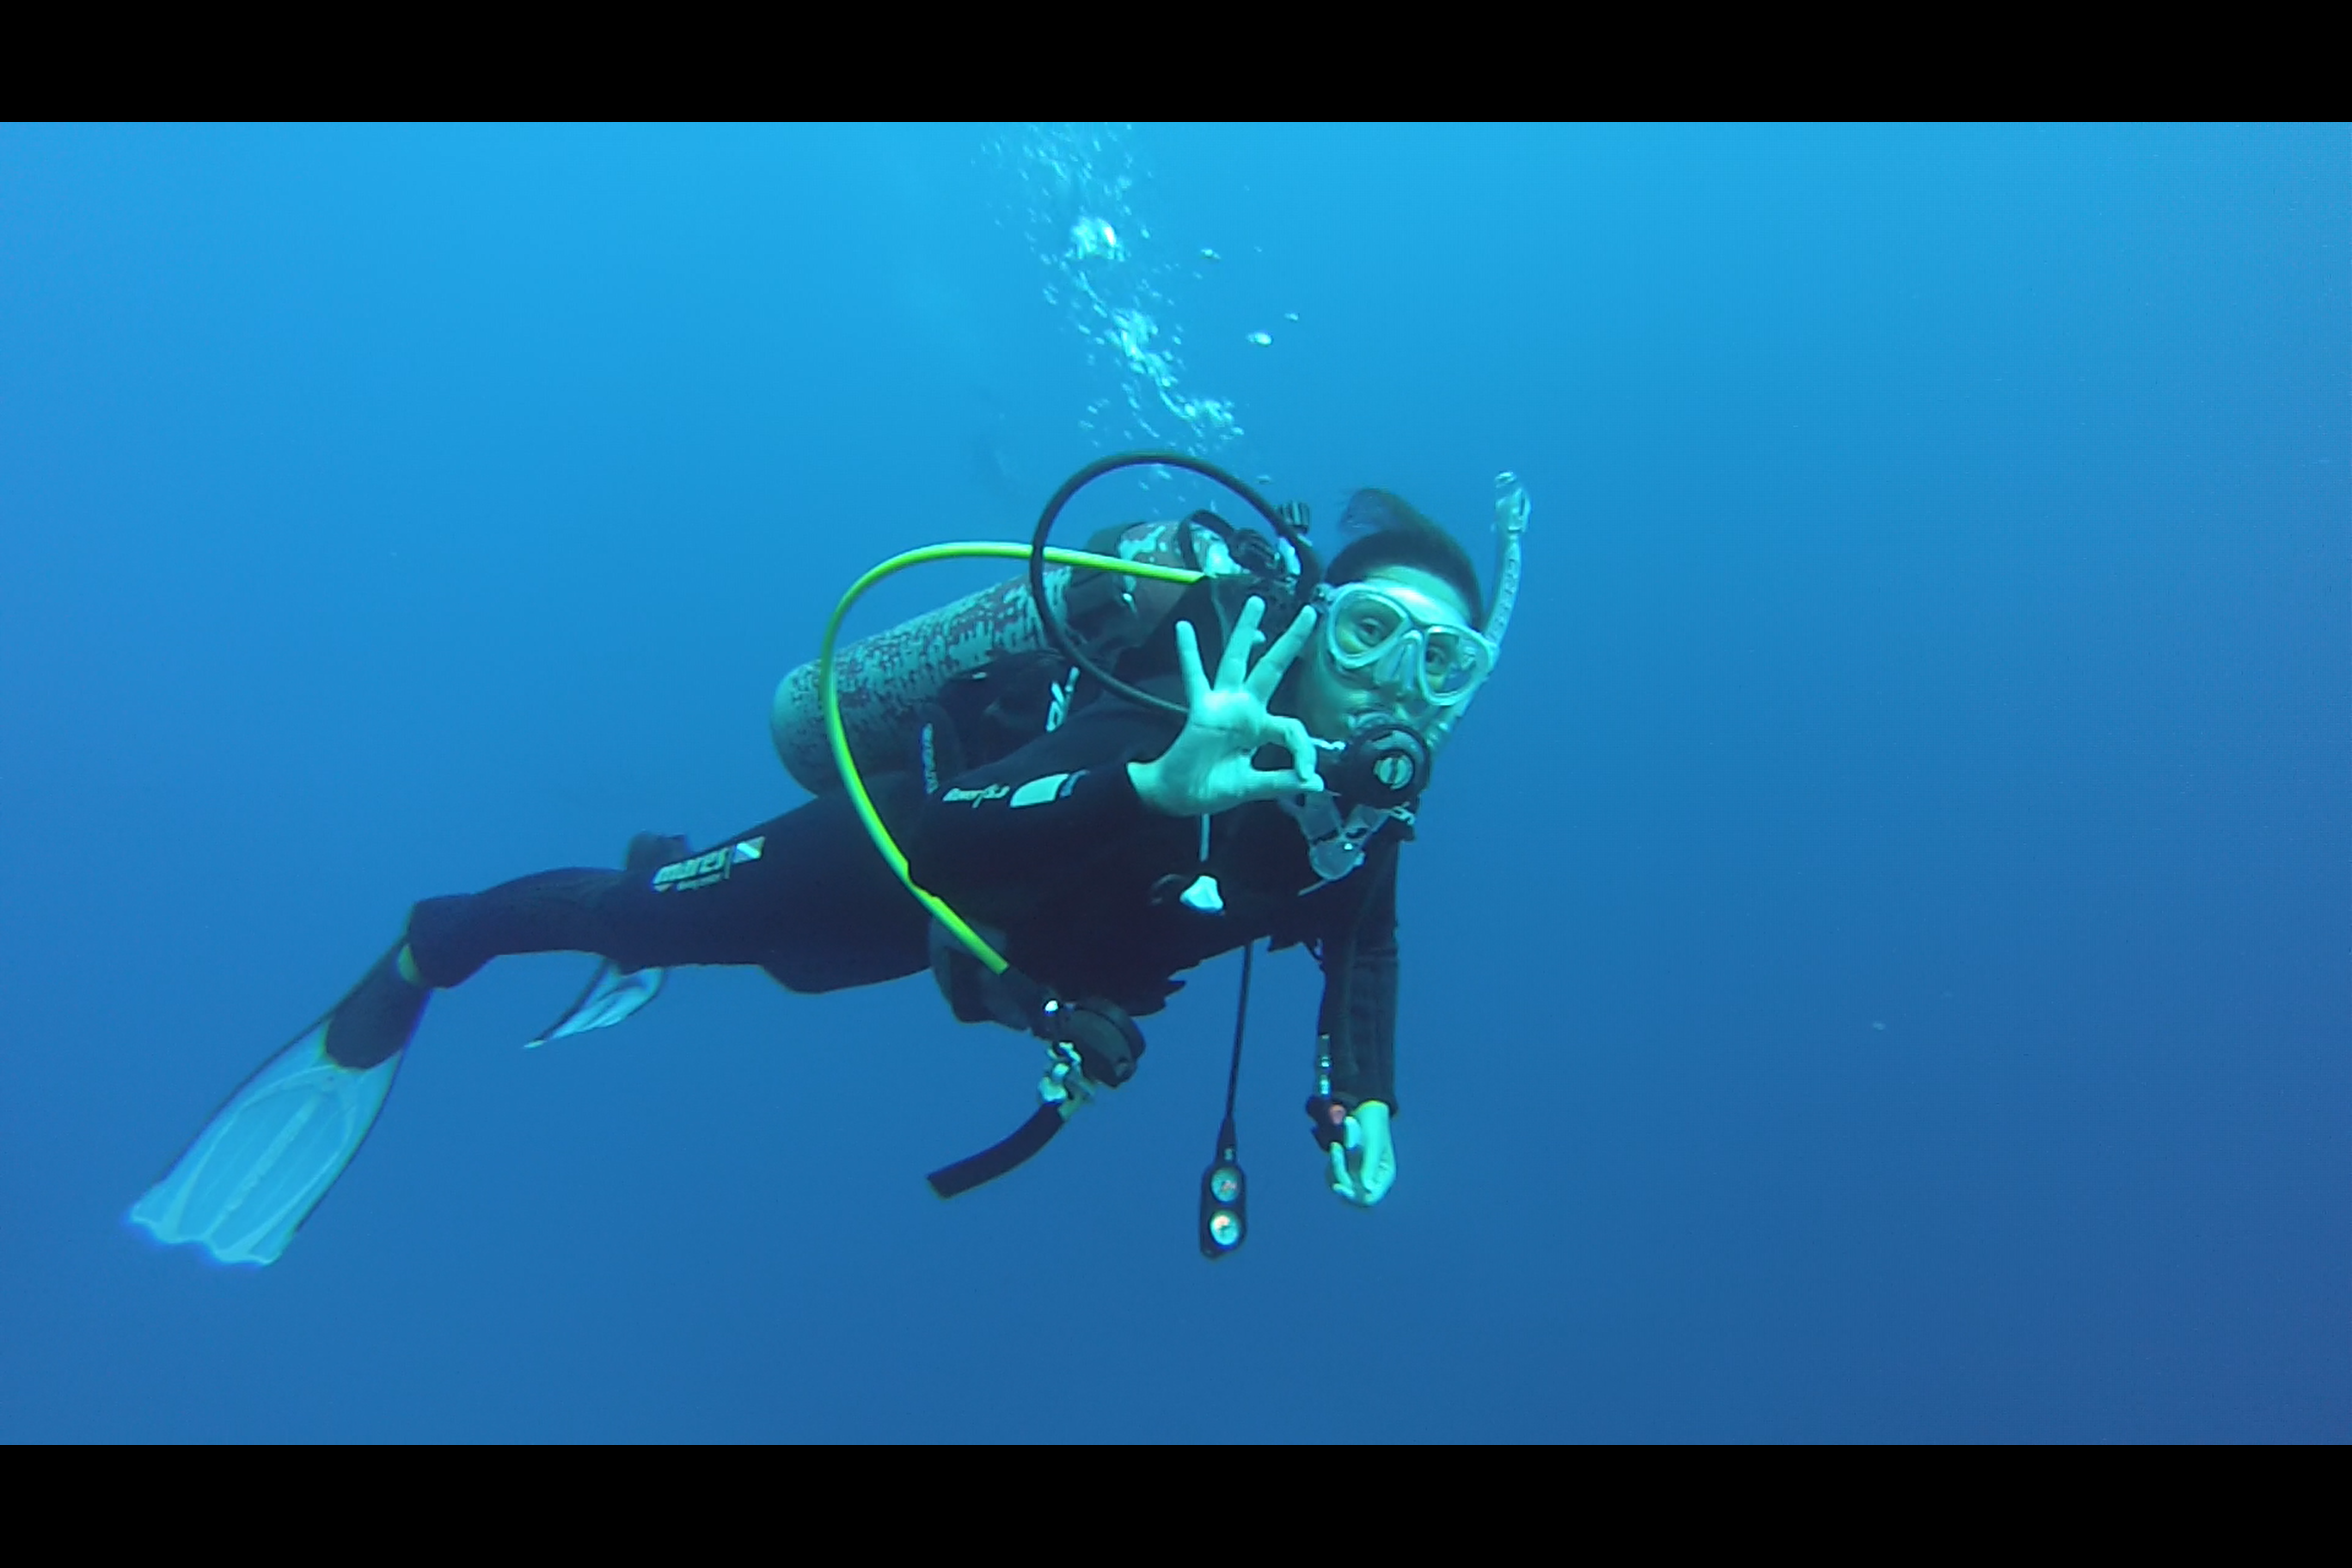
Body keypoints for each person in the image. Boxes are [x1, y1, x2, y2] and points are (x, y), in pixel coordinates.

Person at [130, 481, 1515, 1266]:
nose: (1399, 681)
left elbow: (1365, 942)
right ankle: (436, 945)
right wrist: (1153, 784)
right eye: (1374, 632)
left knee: (800, 969)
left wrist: (1361, 1092)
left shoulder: (1366, 811)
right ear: (1313, 624)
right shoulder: (1174, 706)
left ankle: (666, 896)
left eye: (1443, 659)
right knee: (648, 925)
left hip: (991, 947)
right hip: (893, 848)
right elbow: (945, 838)